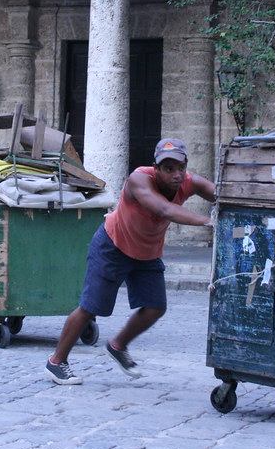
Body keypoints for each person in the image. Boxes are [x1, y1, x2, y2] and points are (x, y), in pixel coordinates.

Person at [45, 138, 216, 385]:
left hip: (146, 252)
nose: (176, 175)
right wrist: (208, 222)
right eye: (168, 169)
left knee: (155, 307)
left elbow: (219, 193)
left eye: (181, 167)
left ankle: (118, 346)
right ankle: (56, 361)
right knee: (90, 308)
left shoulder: (189, 182)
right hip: (112, 246)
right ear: (155, 168)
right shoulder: (139, 180)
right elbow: (165, 210)